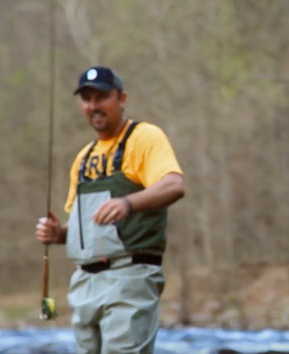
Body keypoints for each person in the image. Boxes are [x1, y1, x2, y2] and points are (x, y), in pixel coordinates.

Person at [35, 66, 185, 354]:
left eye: (101, 97)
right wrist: (60, 235)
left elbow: (174, 186)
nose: (93, 106)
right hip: (85, 284)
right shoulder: (83, 157)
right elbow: (87, 230)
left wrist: (127, 203)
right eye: (86, 99)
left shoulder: (144, 137)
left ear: (121, 98)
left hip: (130, 276)